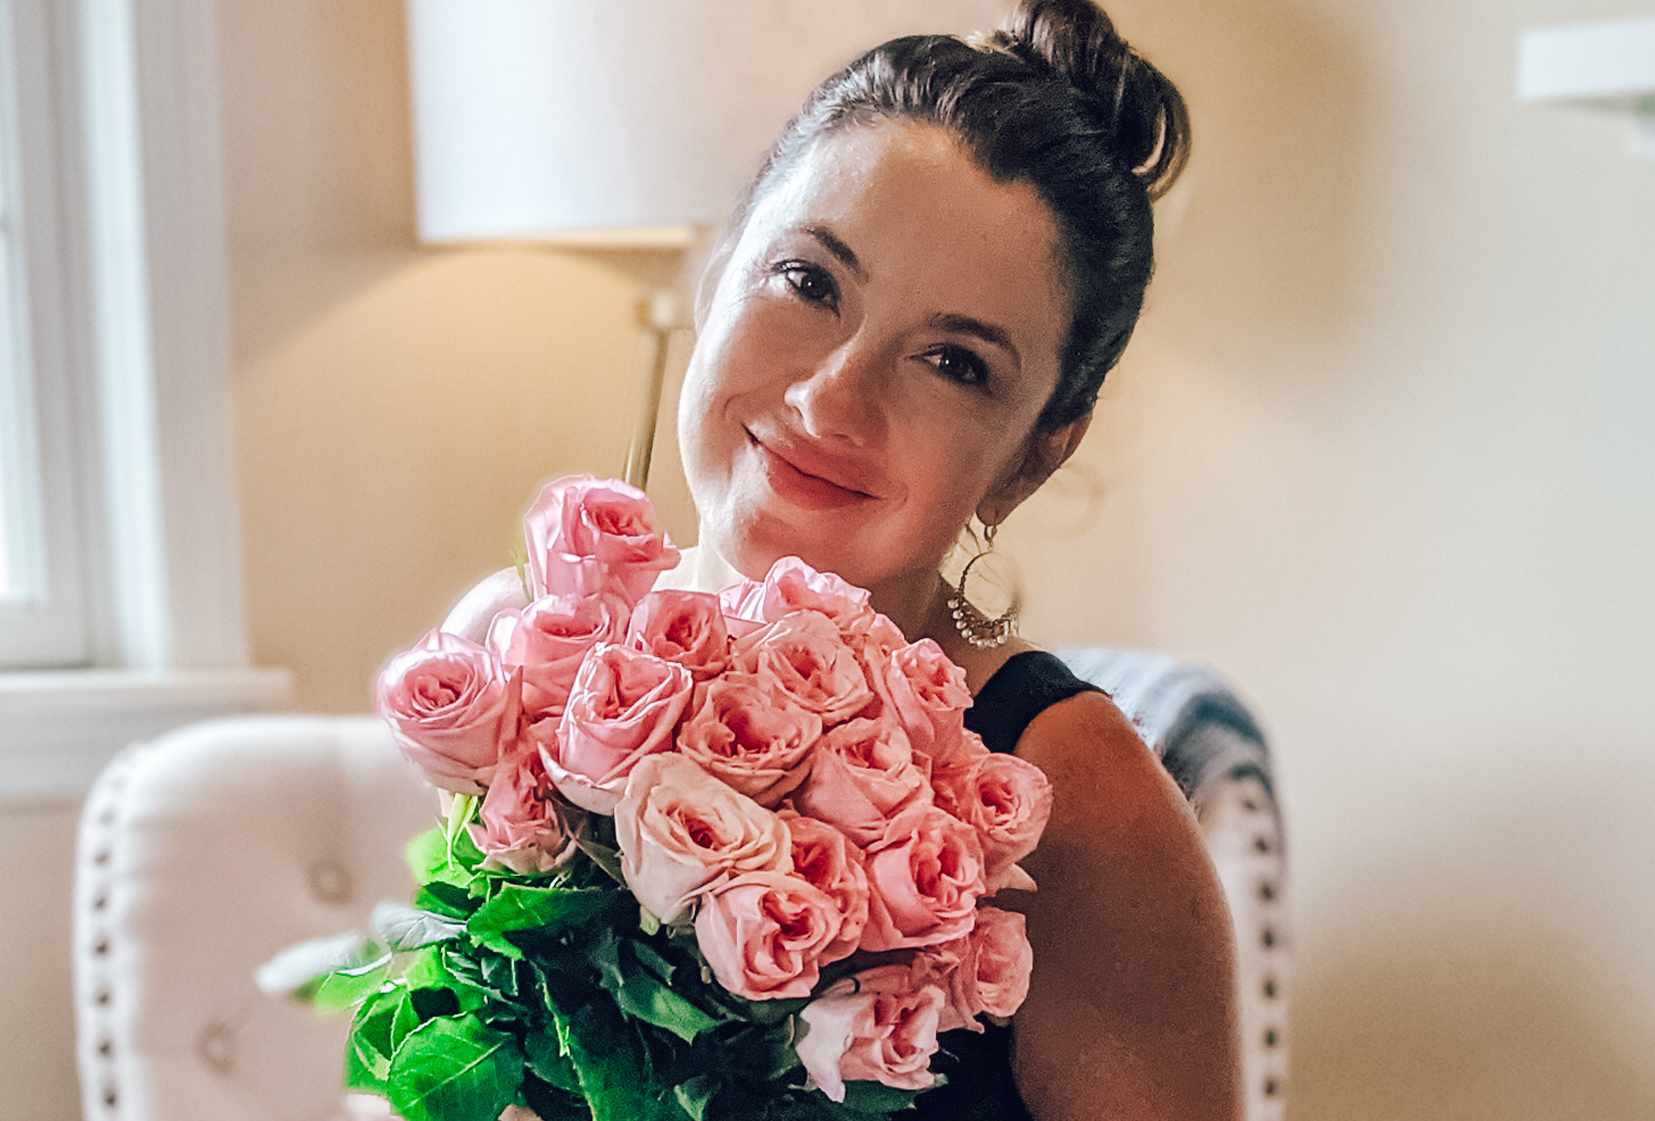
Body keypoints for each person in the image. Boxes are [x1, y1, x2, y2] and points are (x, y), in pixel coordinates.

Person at [444, 1, 1238, 1116]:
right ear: (718, 274)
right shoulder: (518, 663)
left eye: (953, 362)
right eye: (808, 282)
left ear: (1033, 455)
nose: (831, 398)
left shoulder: (1080, 800)